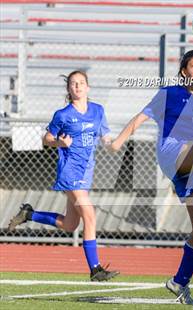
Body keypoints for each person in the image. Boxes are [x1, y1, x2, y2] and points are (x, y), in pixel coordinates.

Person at [110, 50, 193, 305]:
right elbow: (140, 117)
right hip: (172, 154)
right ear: (184, 71)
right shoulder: (169, 93)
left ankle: (179, 282)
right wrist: (119, 141)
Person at [8, 70, 119, 282]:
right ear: (68, 89)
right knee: (90, 214)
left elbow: (106, 139)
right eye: (73, 83)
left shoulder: (98, 110)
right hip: (70, 172)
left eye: (81, 83)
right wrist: (59, 142)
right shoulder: (63, 114)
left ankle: (29, 214)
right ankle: (95, 268)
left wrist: (113, 143)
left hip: (86, 172)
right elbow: (46, 138)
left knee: (70, 225)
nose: (77, 86)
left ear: (88, 87)